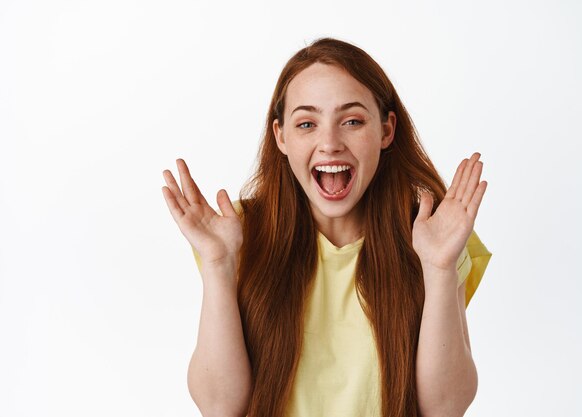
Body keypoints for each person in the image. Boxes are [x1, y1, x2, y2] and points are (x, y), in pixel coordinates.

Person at [162, 37, 492, 417]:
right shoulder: (235, 233)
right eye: (307, 124)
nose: (330, 143)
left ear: (386, 131)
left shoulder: (434, 234)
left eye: (352, 121)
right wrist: (219, 267)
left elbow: (446, 408)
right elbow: (220, 406)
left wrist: (439, 268)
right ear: (281, 137)